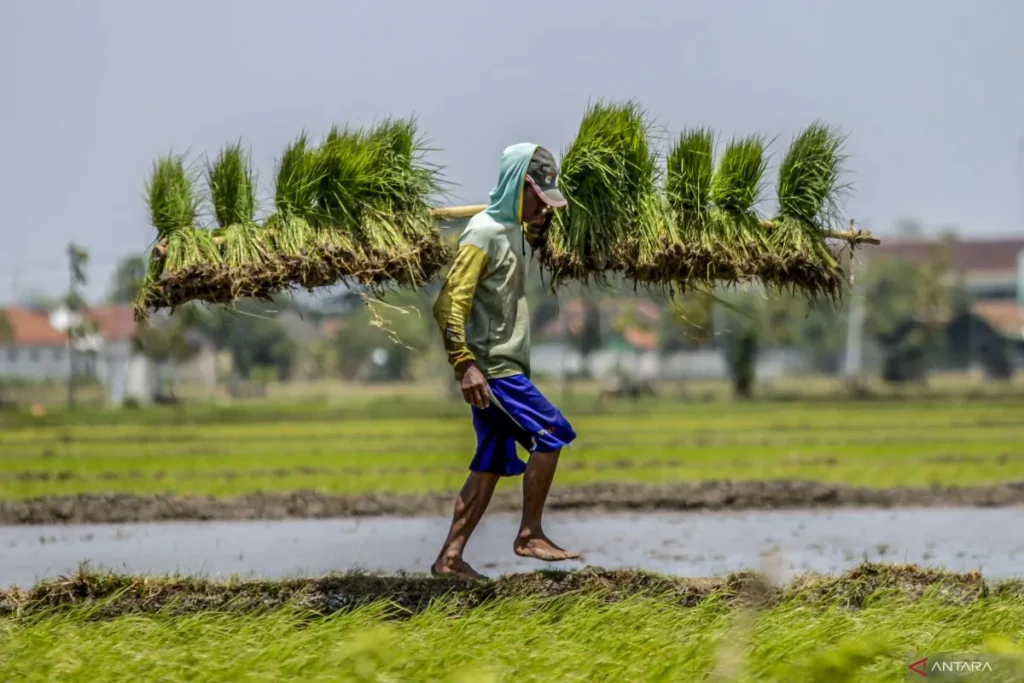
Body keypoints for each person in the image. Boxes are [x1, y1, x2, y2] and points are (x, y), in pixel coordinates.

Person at [430, 143, 581, 579]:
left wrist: (541, 224)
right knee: (552, 433)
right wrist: (465, 365)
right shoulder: (482, 233)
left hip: (501, 366)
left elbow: (526, 237)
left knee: (490, 462)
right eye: (539, 198)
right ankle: (529, 533)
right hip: (494, 370)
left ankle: (450, 559)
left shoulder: (511, 228)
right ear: (519, 187)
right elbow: (448, 305)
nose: (543, 208)